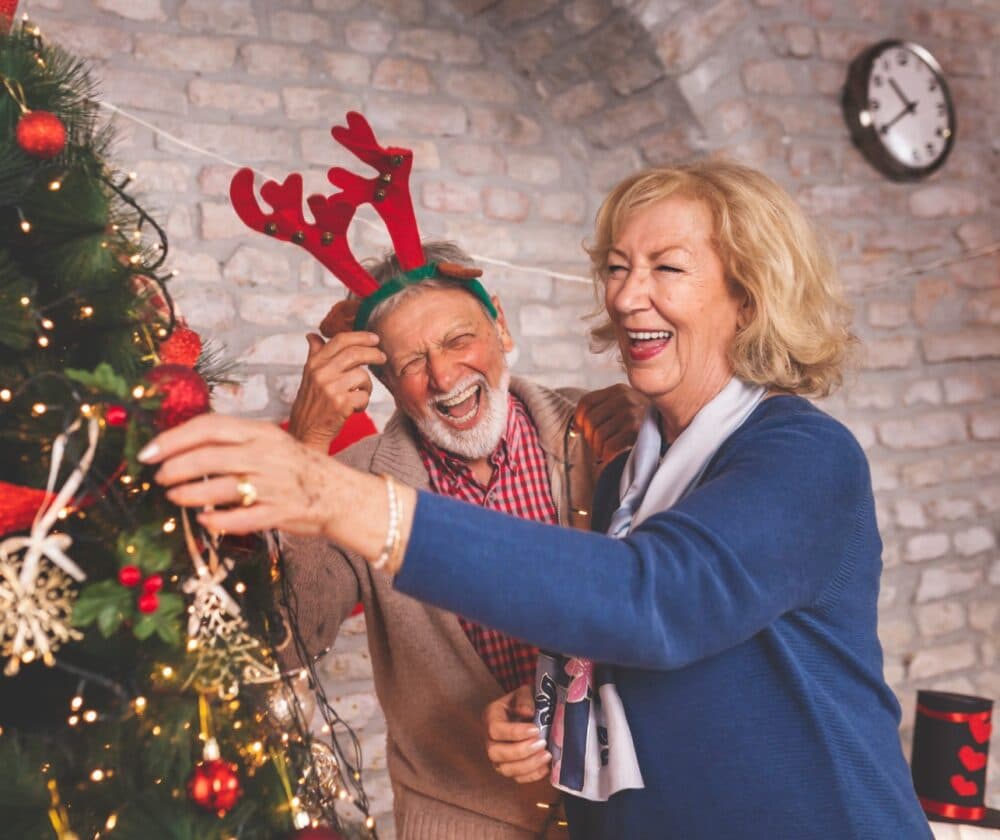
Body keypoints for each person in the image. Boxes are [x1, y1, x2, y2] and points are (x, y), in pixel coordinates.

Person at [142, 161, 932, 839]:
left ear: (748, 298)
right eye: (617, 268)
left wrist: (344, 501)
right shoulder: (633, 470)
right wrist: (551, 703)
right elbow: (641, 645)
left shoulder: (802, 455)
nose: (626, 297)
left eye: (667, 268)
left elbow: (653, 597)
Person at [261, 239, 647, 838]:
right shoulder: (354, 483)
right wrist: (306, 451)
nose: (443, 377)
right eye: (411, 363)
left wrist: (654, 428)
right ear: (384, 379)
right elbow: (284, 644)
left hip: (626, 810)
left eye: (457, 340)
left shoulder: (601, 433)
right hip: (463, 822)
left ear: (500, 324)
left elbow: (673, 606)